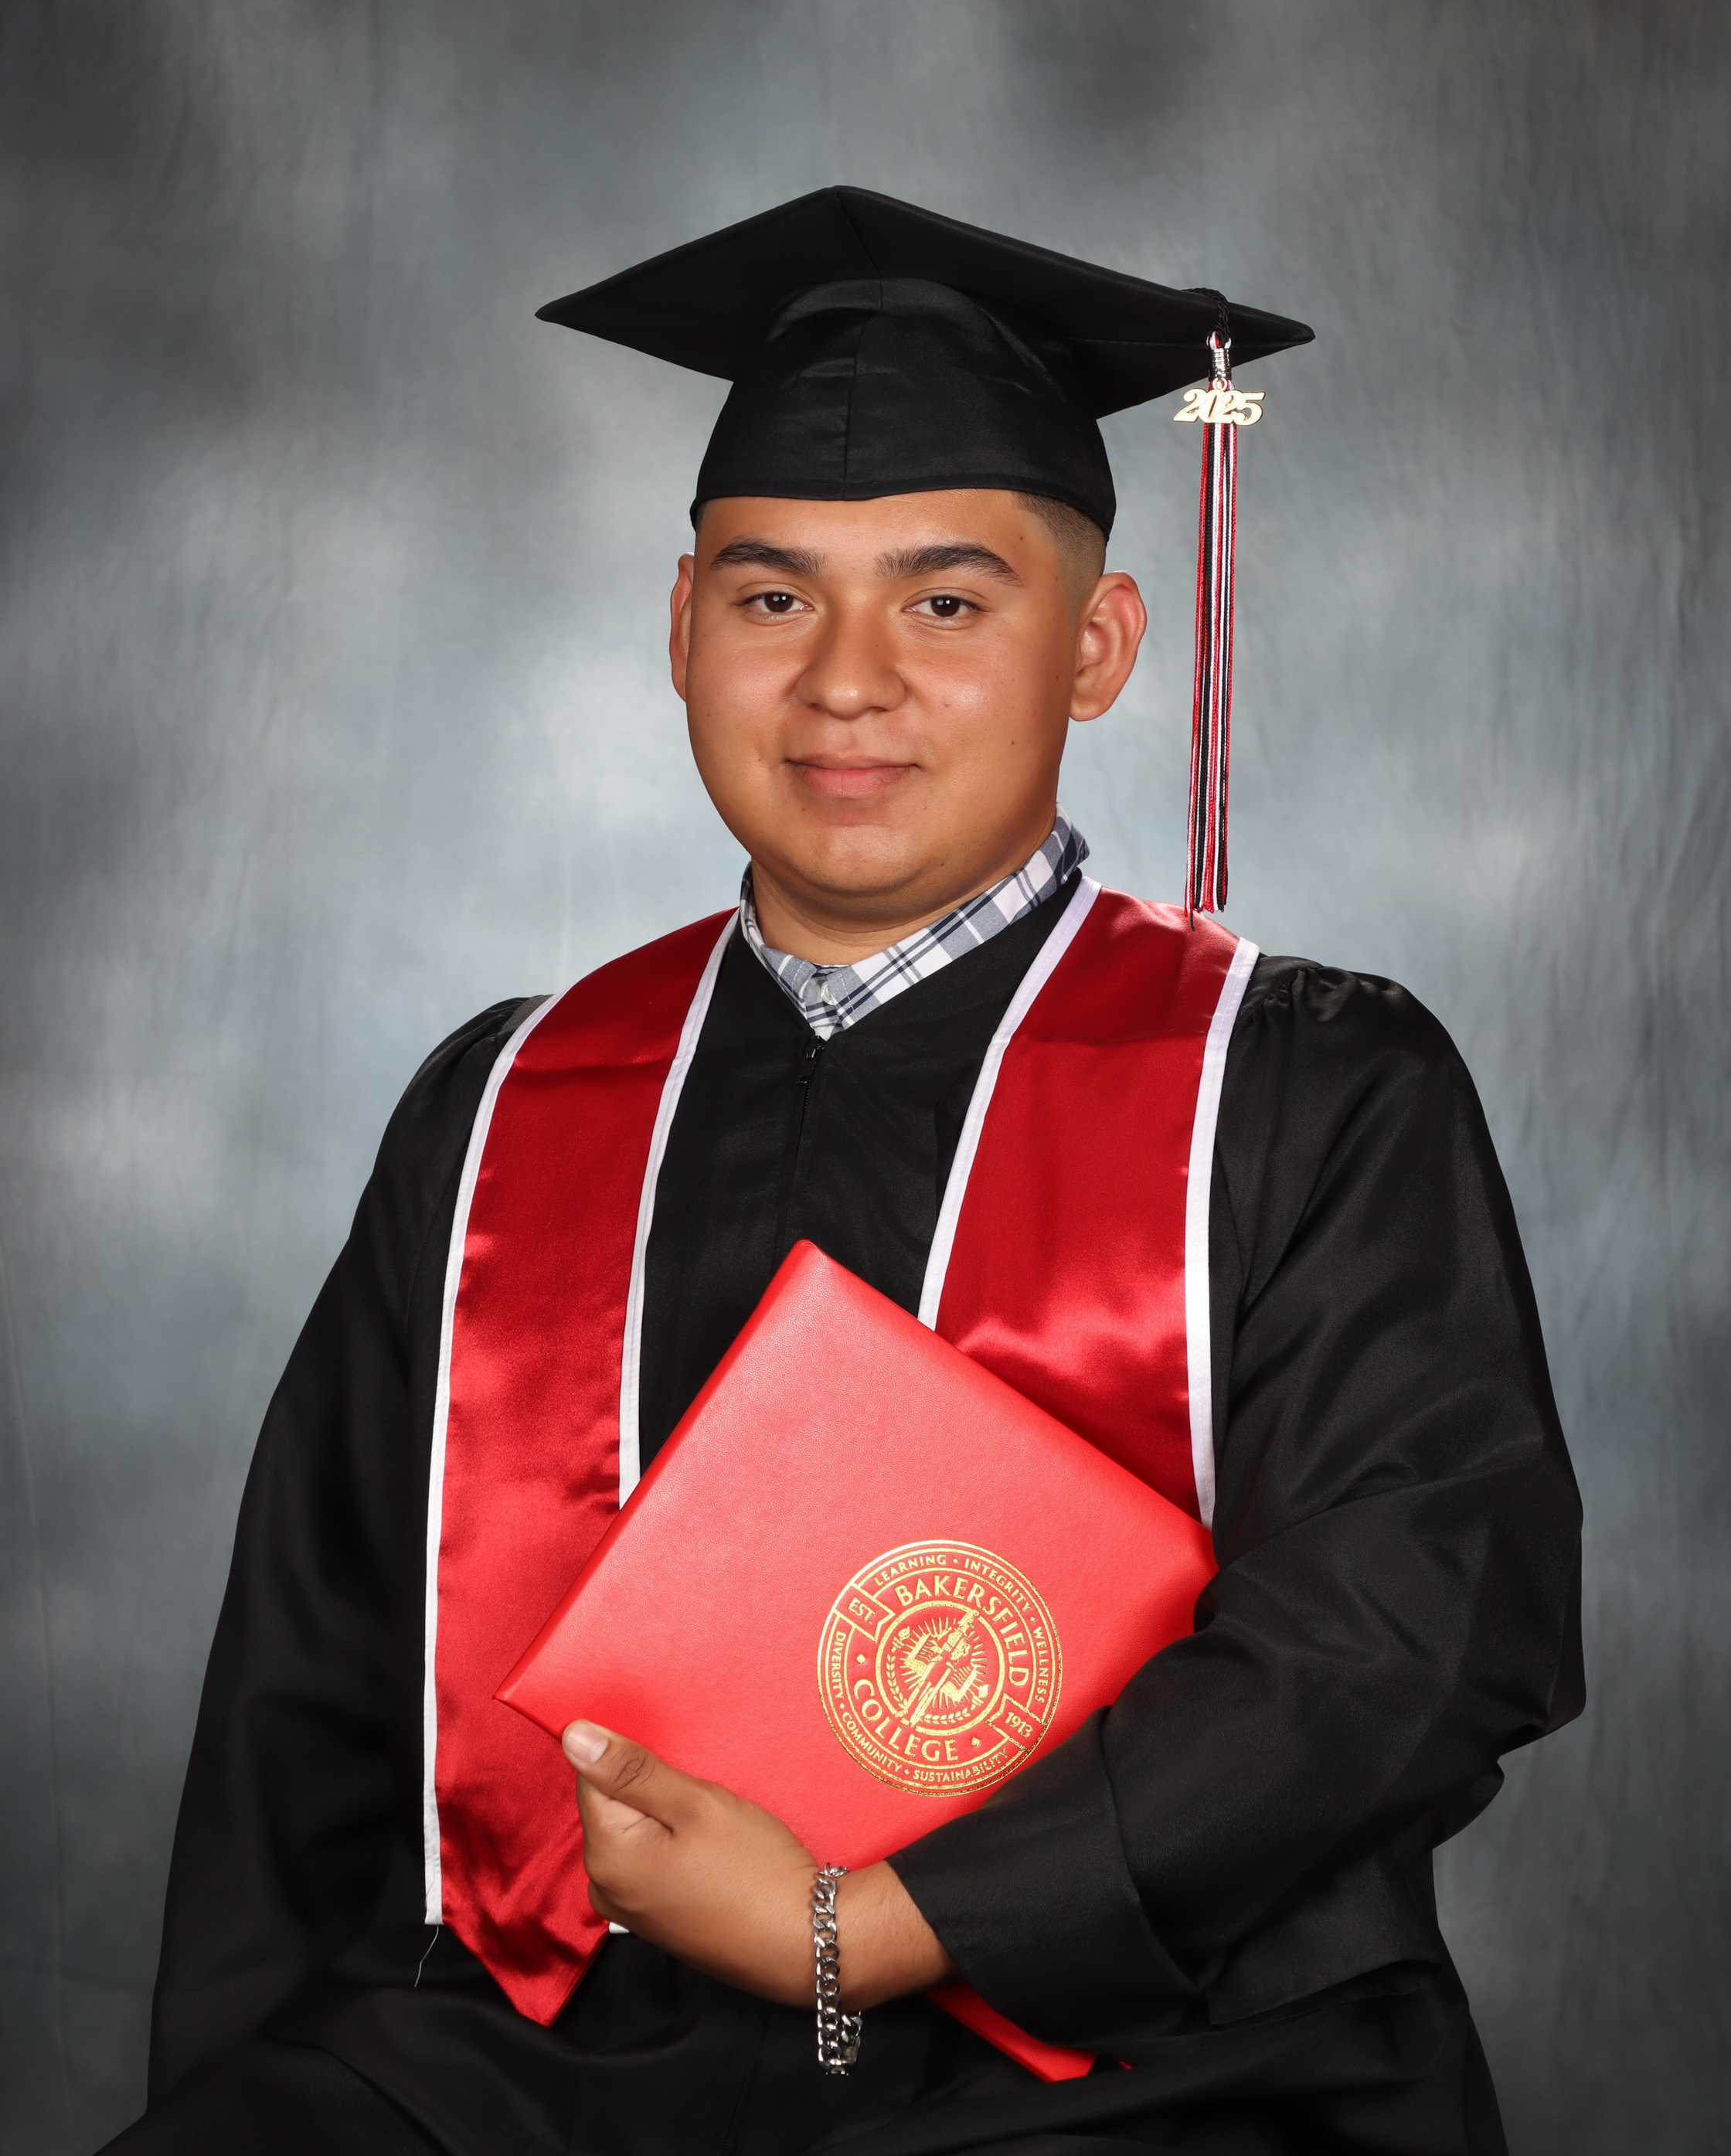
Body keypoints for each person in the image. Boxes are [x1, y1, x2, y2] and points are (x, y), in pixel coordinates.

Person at [104, 189, 1582, 2156]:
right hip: (550, 2054)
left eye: (945, 602)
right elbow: (304, 1696)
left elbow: (1409, 1630)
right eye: (771, 597)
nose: (845, 682)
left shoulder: (1305, 1083)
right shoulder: (506, 1100)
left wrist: (869, 1925)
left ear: (1098, 648)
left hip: (1151, 2053)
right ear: (678, 629)